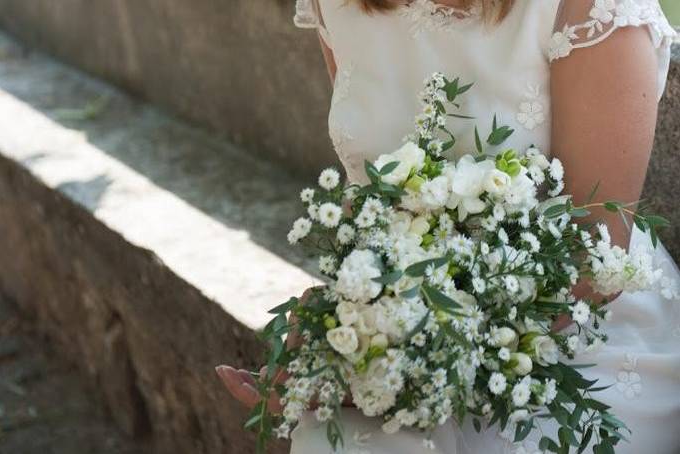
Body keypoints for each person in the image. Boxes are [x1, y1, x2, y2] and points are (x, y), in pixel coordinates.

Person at [218, 0, 680, 452]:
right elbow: (371, 208)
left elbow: (594, 256)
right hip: (411, 330)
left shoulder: (587, 8)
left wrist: (387, 357)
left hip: (578, 340)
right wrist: (343, 339)